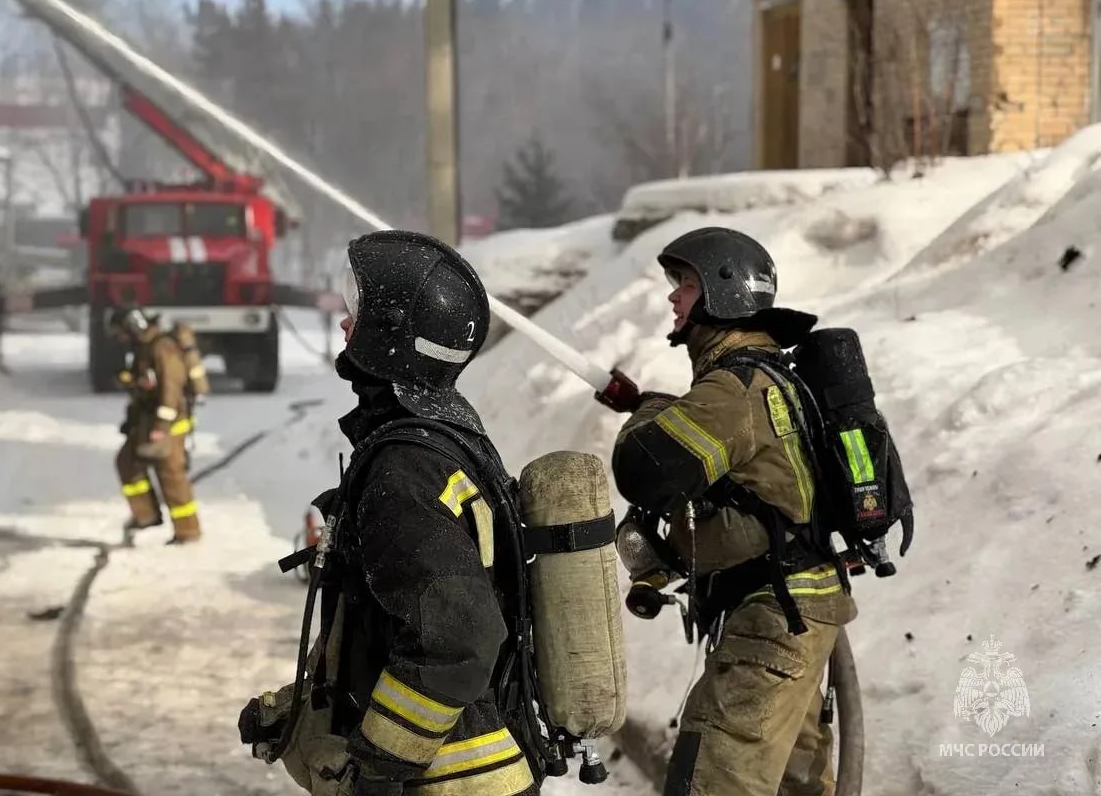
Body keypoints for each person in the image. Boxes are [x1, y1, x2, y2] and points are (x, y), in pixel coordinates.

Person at [238, 230, 539, 796]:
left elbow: (459, 639)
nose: (344, 324)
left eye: (358, 315)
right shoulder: (442, 438)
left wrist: (379, 763)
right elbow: (385, 630)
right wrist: (299, 711)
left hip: (447, 782)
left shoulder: (404, 469)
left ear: (391, 335)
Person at [610, 226, 857, 796]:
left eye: (686, 283)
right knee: (797, 788)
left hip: (772, 623)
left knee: (710, 784)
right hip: (791, 616)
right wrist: (648, 402)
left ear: (724, 290)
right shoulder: (765, 377)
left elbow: (643, 468)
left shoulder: (734, 390)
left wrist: (646, 411)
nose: (673, 296)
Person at [109, 307, 201, 544]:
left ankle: (188, 531)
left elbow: (171, 387)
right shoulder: (144, 346)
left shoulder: (162, 347)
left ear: (134, 326)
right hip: (148, 420)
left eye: (123, 333)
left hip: (169, 423)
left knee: (171, 475)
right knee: (127, 462)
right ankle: (146, 515)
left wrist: (162, 425)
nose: (122, 339)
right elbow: (148, 382)